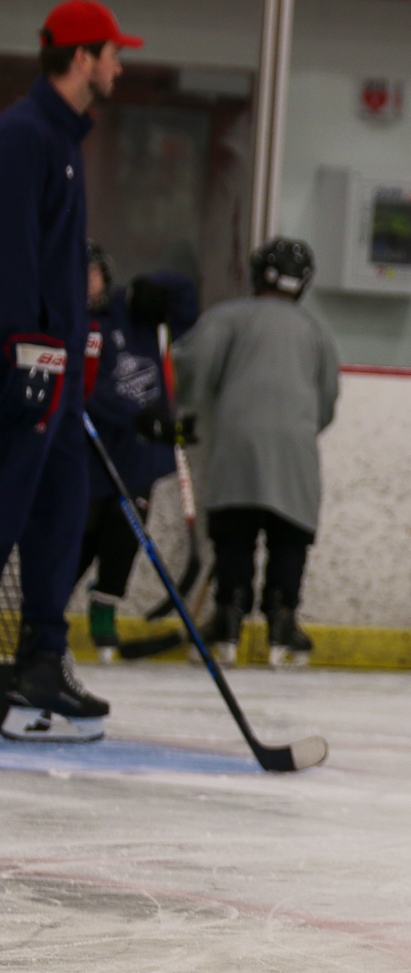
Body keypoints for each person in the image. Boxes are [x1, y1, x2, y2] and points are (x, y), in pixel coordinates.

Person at [0, 1, 141, 741]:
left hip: (56, 370)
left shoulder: (64, 140)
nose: (120, 66)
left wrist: (71, 354)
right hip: (23, 367)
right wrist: (26, 346)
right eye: (114, 53)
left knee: (59, 513)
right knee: (6, 514)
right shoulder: (23, 135)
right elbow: (12, 249)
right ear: (84, 56)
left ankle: (41, 660)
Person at [173, 237, 339, 666]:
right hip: (296, 445)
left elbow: (189, 373)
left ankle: (228, 617)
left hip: (237, 441)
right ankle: (282, 623)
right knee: (290, 534)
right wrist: (296, 430)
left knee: (235, 530)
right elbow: (326, 402)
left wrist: (187, 408)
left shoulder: (227, 317)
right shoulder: (316, 330)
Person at [73, 245, 196, 660]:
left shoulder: (136, 311)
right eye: (80, 273)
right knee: (79, 541)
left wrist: (156, 286)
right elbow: (90, 392)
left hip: (137, 458)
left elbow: (186, 302)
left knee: (124, 540)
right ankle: (44, 619)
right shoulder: (71, 323)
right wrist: (141, 416)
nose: (89, 282)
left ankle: (104, 613)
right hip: (89, 457)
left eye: (94, 273)